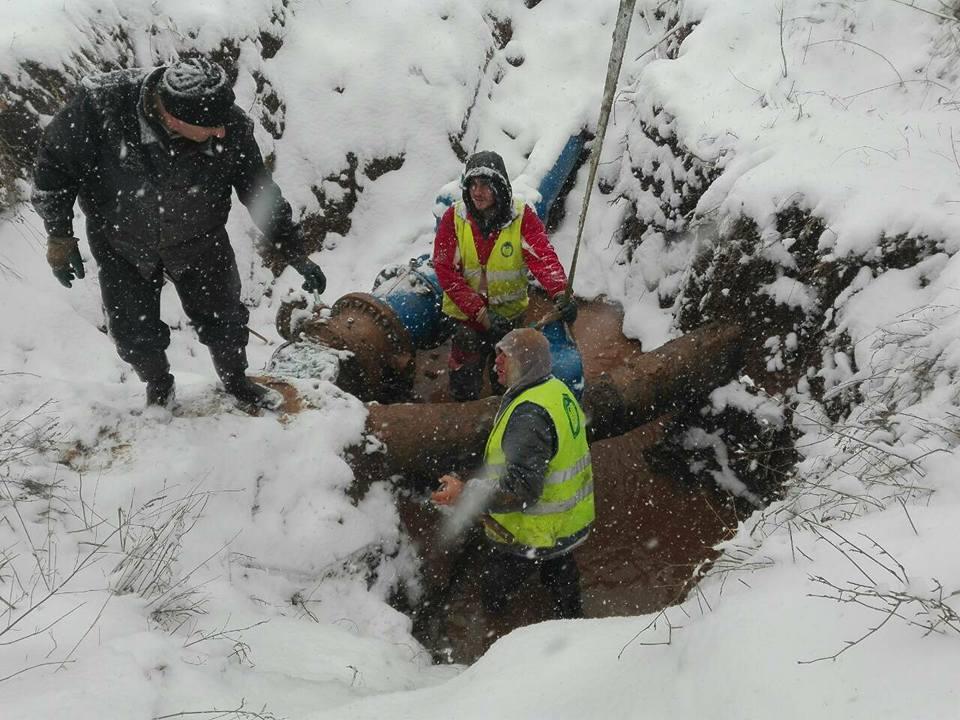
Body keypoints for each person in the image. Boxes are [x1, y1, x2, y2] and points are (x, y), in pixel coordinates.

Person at [31, 58, 327, 410]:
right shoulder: (98, 112)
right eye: (209, 127)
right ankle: (158, 384)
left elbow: (260, 192)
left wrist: (293, 250)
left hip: (200, 239)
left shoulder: (229, 125)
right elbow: (53, 173)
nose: (220, 132)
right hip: (122, 242)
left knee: (226, 318)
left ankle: (236, 380)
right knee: (132, 333)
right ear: (172, 117)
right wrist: (60, 238)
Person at [431, 328, 594, 619]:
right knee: (561, 573)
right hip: (566, 520)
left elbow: (521, 490)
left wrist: (464, 492)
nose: (496, 364)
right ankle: (574, 620)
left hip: (532, 529)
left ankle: (497, 630)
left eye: (504, 358)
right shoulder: (555, 388)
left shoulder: (529, 415)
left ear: (526, 363)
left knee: (497, 585)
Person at [432, 150, 577, 401]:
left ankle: (503, 405)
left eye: (486, 185)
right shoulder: (453, 219)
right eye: (473, 185)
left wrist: (560, 292)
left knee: (509, 375)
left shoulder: (522, 218)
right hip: (468, 317)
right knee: (465, 369)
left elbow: (543, 258)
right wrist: (480, 312)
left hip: (509, 315)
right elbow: (445, 270)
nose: (477, 192)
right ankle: (466, 410)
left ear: (499, 185)